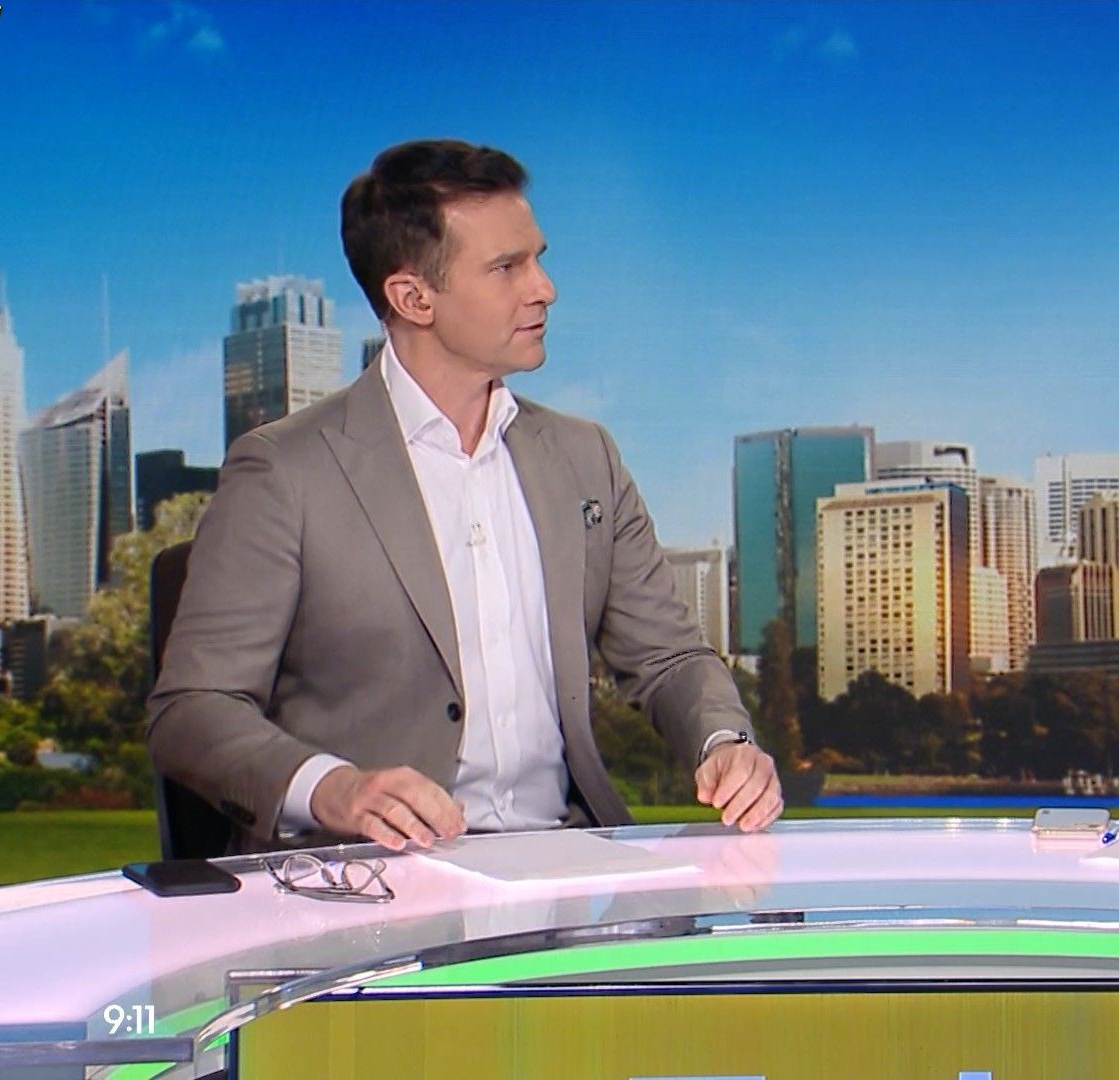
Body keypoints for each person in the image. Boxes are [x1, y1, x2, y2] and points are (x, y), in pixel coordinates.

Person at [148, 139, 782, 855]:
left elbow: (669, 659)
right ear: (413, 297)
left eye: (539, 259)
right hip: (371, 879)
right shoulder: (284, 472)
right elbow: (192, 711)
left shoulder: (586, 458)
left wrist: (724, 740)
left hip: (569, 866)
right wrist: (336, 789)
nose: (544, 288)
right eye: (507, 267)